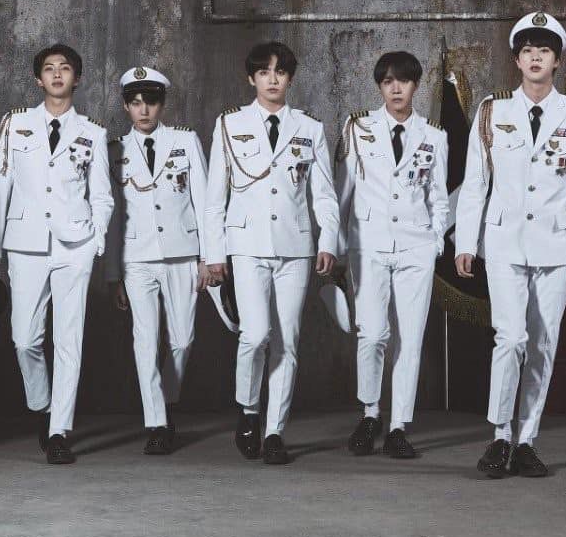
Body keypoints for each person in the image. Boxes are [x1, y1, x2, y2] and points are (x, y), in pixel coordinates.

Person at [454, 12, 566, 478]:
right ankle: (499, 436)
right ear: (517, 60)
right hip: (503, 242)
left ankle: (526, 441)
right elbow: (475, 183)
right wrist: (465, 241)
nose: (535, 58)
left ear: (557, 62)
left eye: (544, 51)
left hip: (557, 246)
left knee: (543, 344)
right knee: (511, 338)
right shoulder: (492, 111)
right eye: (527, 51)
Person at [204, 42, 339, 465]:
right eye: (264, 72)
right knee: (256, 334)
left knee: (288, 341)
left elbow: (325, 194)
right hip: (246, 246)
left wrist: (328, 242)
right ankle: (249, 410)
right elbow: (214, 198)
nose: (272, 79)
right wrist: (213, 254)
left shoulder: (309, 127)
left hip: (295, 247)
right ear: (252, 78)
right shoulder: (230, 124)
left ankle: (275, 431)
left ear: (290, 78)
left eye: (280, 72)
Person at [0, 44, 112, 465]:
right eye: (50, 69)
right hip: (26, 244)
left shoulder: (92, 132)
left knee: (69, 340)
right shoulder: (15, 125)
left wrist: (96, 241)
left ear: (77, 78)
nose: (57, 74)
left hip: (75, 245)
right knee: (25, 339)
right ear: (38, 79)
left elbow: (102, 196)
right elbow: (0, 189)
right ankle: (43, 406)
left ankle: (59, 430)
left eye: (65, 68)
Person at [336, 51, 449, 459]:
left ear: (416, 85)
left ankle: (399, 426)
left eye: (403, 80)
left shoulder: (434, 136)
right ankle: (370, 414)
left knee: (410, 339)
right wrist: (336, 247)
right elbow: (342, 192)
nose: (396, 88)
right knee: (372, 334)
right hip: (368, 244)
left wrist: (435, 241)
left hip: (416, 246)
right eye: (387, 81)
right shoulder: (357, 127)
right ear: (380, 86)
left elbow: (439, 198)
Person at [104, 66, 211, 455]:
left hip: (182, 254)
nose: (143, 110)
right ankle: (158, 423)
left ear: (162, 104)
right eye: (135, 103)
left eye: (150, 102)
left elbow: (204, 202)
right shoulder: (114, 150)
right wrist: (113, 274)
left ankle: (164, 400)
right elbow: (113, 217)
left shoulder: (185, 142)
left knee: (182, 340)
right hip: (137, 258)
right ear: (126, 107)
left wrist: (208, 258)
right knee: (145, 341)